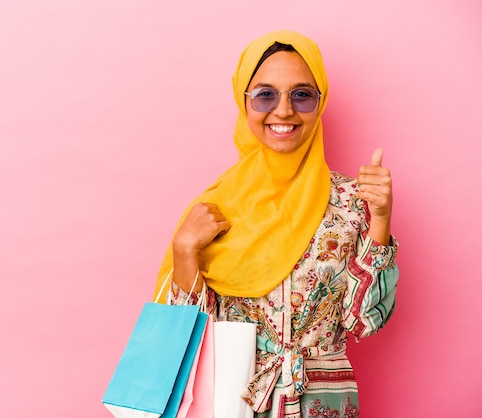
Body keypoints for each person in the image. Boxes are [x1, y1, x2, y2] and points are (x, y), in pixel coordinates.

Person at [152, 30, 399, 418]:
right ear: (243, 101)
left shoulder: (351, 201)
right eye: (265, 94)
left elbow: (363, 322)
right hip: (235, 398)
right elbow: (188, 334)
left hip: (326, 404)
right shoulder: (216, 207)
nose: (283, 111)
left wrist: (379, 218)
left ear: (320, 103)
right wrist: (184, 250)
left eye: (301, 94)